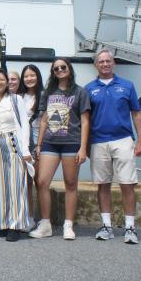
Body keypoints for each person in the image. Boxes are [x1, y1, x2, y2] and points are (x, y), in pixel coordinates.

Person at [86, 49, 141, 245]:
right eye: (101, 61)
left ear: (114, 63)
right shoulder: (89, 89)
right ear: (96, 65)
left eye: (108, 61)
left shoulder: (127, 86)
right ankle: (106, 226)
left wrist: (140, 141)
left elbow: (136, 114)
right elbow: (85, 119)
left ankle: (130, 227)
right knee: (102, 185)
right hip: (98, 141)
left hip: (123, 140)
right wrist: (85, 145)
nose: (105, 64)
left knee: (127, 184)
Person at [30, 58, 91, 240]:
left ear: (69, 69)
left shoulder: (80, 92)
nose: (60, 70)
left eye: (63, 67)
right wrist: (39, 145)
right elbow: (44, 120)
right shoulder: (48, 92)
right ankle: (46, 224)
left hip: (71, 142)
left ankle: (68, 225)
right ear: (53, 72)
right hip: (50, 142)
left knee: (70, 183)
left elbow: (86, 121)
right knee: (41, 182)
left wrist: (83, 148)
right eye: (56, 68)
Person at [0, 69, 32, 242]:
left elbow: (24, 124)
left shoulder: (15, 99)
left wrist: (26, 149)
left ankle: (16, 225)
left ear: (7, 82)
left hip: (13, 141)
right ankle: (2, 223)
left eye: (1, 79)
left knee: (16, 184)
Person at [18, 64, 44, 223]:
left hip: (39, 138)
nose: (29, 79)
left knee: (40, 180)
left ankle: (43, 217)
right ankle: (28, 217)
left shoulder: (44, 94)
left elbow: (45, 122)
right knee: (25, 181)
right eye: (26, 76)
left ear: (38, 77)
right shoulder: (19, 97)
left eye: (32, 75)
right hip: (24, 140)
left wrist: (40, 144)